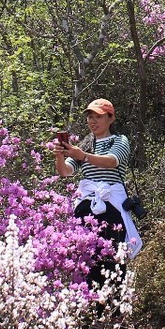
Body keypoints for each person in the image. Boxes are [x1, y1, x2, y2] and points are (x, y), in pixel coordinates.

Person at [52, 98, 141, 290]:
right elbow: (66, 171)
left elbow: (112, 161)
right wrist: (60, 155)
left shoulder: (119, 140)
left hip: (111, 205)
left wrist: (82, 156)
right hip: (87, 205)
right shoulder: (86, 143)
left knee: (110, 256)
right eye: (90, 117)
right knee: (87, 257)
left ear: (111, 118)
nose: (93, 121)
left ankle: (113, 305)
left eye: (98, 117)